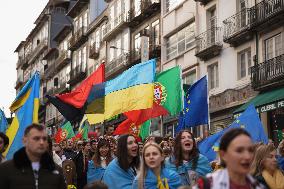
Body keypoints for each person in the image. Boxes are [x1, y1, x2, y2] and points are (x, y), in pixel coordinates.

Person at [0, 123, 66, 189]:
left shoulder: (57, 170)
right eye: (36, 138)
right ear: (25, 141)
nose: (41, 142)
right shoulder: (6, 169)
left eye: (44, 139)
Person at [197, 128, 265, 189]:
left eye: (250, 150)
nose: (247, 156)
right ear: (223, 155)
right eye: (239, 150)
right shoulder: (206, 185)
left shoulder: (259, 186)